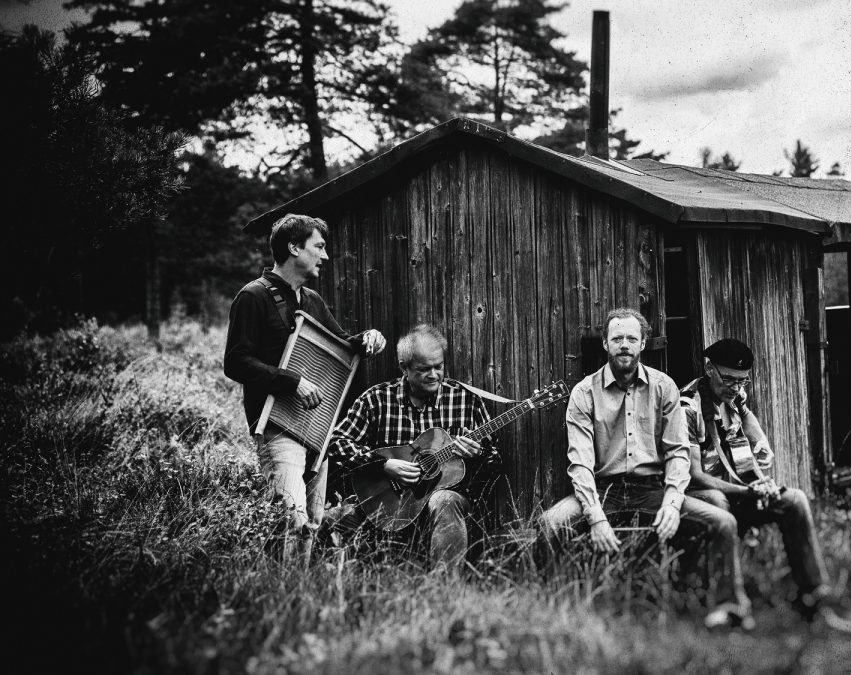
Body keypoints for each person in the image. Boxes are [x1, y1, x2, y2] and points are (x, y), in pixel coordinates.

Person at [537, 308, 754, 629]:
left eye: (631, 338)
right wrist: (595, 517)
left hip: (653, 490)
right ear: (606, 346)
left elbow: (679, 453)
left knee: (722, 521)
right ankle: (554, 610)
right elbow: (579, 463)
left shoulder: (663, 387)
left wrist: (671, 501)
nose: (624, 344)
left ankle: (726, 608)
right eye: (617, 338)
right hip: (603, 492)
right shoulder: (584, 393)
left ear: (642, 344)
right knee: (549, 524)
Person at [224, 213, 387, 550]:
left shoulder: (311, 300)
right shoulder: (253, 296)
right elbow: (235, 362)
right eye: (319, 247)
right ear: (294, 247)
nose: (325, 256)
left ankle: (299, 596)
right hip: (278, 430)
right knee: (292, 520)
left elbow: (341, 346)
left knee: (311, 525)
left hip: (316, 431)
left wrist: (367, 338)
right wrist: (292, 381)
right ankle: (278, 593)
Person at [325, 324, 502, 570]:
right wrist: (383, 465)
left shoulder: (465, 400)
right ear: (404, 367)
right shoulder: (376, 400)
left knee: (443, 500)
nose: (434, 375)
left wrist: (478, 454)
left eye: (438, 367)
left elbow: (494, 460)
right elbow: (336, 442)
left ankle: (445, 593)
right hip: (387, 502)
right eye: (423, 369)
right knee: (330, 522)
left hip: (443, 499)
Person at [680, 338, 832, 622]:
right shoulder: (686, 407)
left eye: (742, 381)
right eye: (729, 379)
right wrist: (747, 491)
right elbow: (695, 476)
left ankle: (815, 599)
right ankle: (730, 606)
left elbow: (745, 422)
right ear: (709, 368)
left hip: (738, 490)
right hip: (700, 498)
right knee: (716, 501)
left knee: (795, 500)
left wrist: (759, 443)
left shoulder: (734, 395)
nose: (736, 388)